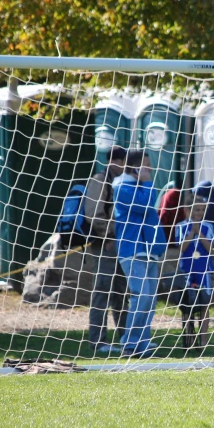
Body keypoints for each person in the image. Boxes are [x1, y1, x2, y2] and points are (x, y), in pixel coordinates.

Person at [112, 150, 167, 357]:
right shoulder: (123, 188)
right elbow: (144, 205)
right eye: (146, 165)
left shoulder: (141, 187)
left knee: (150, 299)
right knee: (141, 295)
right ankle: (130, 343)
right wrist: (147, 182)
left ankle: (142, 341)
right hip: (132, 250)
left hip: (150, 251)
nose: (150, 170)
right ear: (135, 168)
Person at [84, 146, 129, 355]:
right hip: (105, 246)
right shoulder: (100, 180)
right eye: (123, 163)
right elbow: (94, 213)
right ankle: (98, 341)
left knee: (122, 294)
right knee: (101, 293)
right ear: (115, 161)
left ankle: (127, 338)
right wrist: (109, 236)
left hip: (122, 246)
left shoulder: (122, 182)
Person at [174, 199, 214, 348]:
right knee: (187, 304)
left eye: (202, 210)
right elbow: (182, 247)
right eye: (197, 210)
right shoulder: (181, 227)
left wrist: (200, 233)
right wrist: (192, 232)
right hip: (187, 270)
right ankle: (189, 339)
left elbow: (210, 248)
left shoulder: (208, 226)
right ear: (188, 210)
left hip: (204, 270)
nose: (200, 213)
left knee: (205, 305)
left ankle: (203, 340)